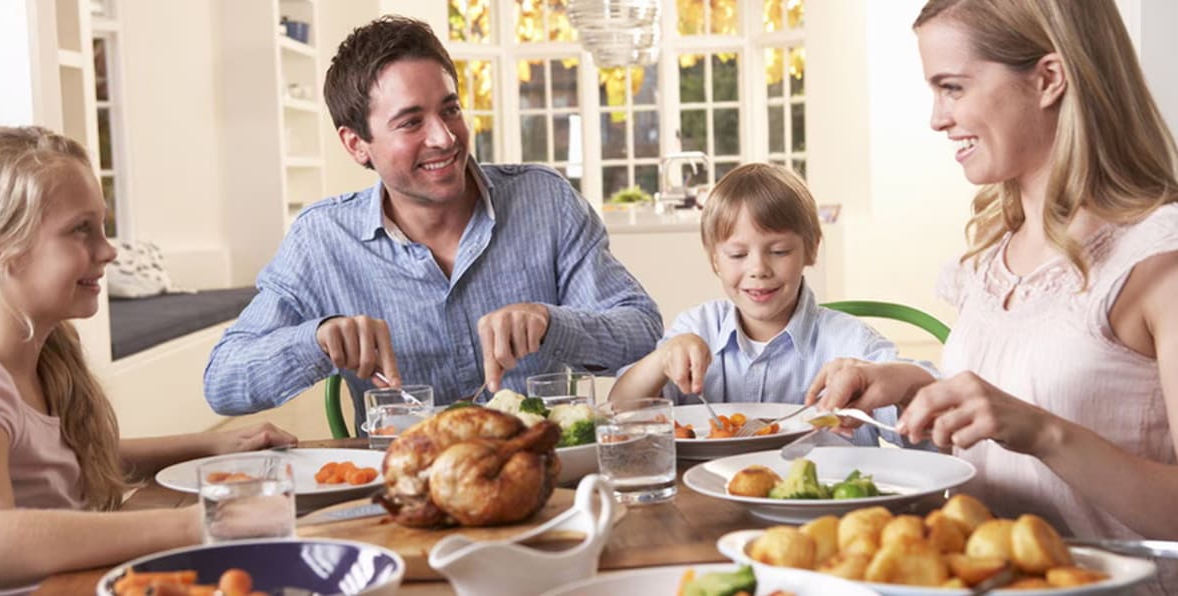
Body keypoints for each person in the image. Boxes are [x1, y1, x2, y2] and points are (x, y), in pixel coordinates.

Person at [810, 0, 1178, 591]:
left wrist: (1042, 432)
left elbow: (1034, 421)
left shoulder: (1159, 257)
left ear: (1048, 79)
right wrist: (915, 387)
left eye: (952, 87)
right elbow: (1015, 414)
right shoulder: (991, 255)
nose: (937, 118)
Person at [203, 15, 661, 425]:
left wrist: (551, 323)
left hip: (542, 469)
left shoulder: (545, 200)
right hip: (405, 480)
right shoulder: (322, 238)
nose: (444, 137)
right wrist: (317, 341)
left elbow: (642, 329)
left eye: (450, 109)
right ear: (356, 144)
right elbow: (223, 382)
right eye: (410, 122)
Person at [0, 126, 297, 591]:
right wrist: (202, 522)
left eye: (102, 227)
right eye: (80, 230)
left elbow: (66, 457)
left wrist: (211, 445)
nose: (108, 250)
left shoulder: (46, 358)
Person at [610, 163, 935, 447]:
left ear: (811, 249)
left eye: (779, 251)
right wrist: (662, 359)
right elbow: (617, 415)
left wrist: (896, 382)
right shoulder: (697, 328)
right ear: (715, 260)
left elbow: (932, 432)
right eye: (738, 254)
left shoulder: (850, 344)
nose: (758, 269)